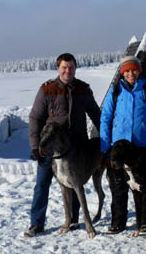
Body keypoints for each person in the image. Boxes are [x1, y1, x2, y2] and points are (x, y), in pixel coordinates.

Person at [25, 53, 101, 237]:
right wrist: (35, 146)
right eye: (64, 67)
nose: (68, 71)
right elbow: (35, 118)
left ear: (75, 68)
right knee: (42, 184)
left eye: (71, 67)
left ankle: (73, 220)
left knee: (75, 183)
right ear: (58, 68)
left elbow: (96, 115)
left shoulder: (83, 89)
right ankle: (36, 224)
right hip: (50, 147)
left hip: (77, 146)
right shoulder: (47, 90)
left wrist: (107, 139)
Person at [100, 56, 146, 234]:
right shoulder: (115, 91)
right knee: (118, 186)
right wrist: (105, 146)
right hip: (118, 148)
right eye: (127, 71)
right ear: (123, 73)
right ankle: (118, 221)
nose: (131, 73)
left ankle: (145, 221)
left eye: (134, 70)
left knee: (145, 186)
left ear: (139, 71)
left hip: (142, 148)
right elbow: (105, 118)